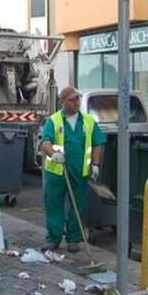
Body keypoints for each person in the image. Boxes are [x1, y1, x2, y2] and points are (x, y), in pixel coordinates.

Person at [40, 87, 106, 253]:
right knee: (54, 204)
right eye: (72, 99)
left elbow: (98, 142)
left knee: (78, 206)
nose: (76, 102)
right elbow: (45, 142)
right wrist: (54, 154)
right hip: (57, 171)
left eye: (77, 99)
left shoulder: (88, 121)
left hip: (79, 171)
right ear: (62, 102)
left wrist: (96, 164)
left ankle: (73, 239)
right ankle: (53, 238)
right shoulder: (54, 121)